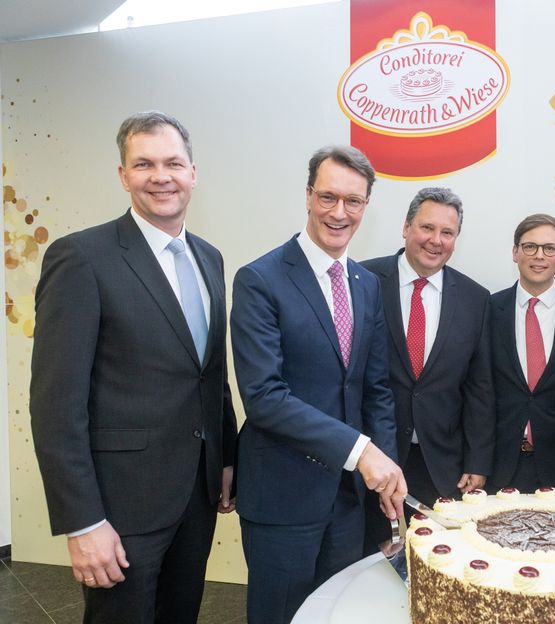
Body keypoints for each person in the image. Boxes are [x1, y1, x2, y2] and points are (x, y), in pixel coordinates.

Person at [29, 111, 238, 623]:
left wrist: (225, 457)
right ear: (123, 176)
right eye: (144, 164)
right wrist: (83, 522)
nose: (160, 176)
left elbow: (209, 373)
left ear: (193, 173)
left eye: (173, 163)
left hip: (196, 495)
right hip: (120, 506)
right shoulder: (81, 257)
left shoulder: (209, 258)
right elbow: (56, 405)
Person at [230, 145, 404, 624]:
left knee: (338, 615)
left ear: (366, 206)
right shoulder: (260, 279)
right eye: (328, 197)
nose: (339, 213)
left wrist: (385, 469)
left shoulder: (367, 284)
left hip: (347, 502)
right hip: (283, 496)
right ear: (308, 196)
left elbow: (375, 390)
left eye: (353, 201)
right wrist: (361, 451)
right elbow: (264, 397)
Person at [361, 187, 494, 548]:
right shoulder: (363, 280)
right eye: (427, 228)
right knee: (369, 563)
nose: (436, 240)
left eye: (447, 232)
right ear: (406, 228)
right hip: (372, 458)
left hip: (441, 465)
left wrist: (478, 461)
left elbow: (479, 388)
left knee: (439, 564)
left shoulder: (475, 298)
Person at [489, 214, 555, 493]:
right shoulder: (489, 309)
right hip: (498, 465)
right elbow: (479, 391)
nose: (539, 256)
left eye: (549, 248)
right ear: (515, 252)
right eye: (530, 246)